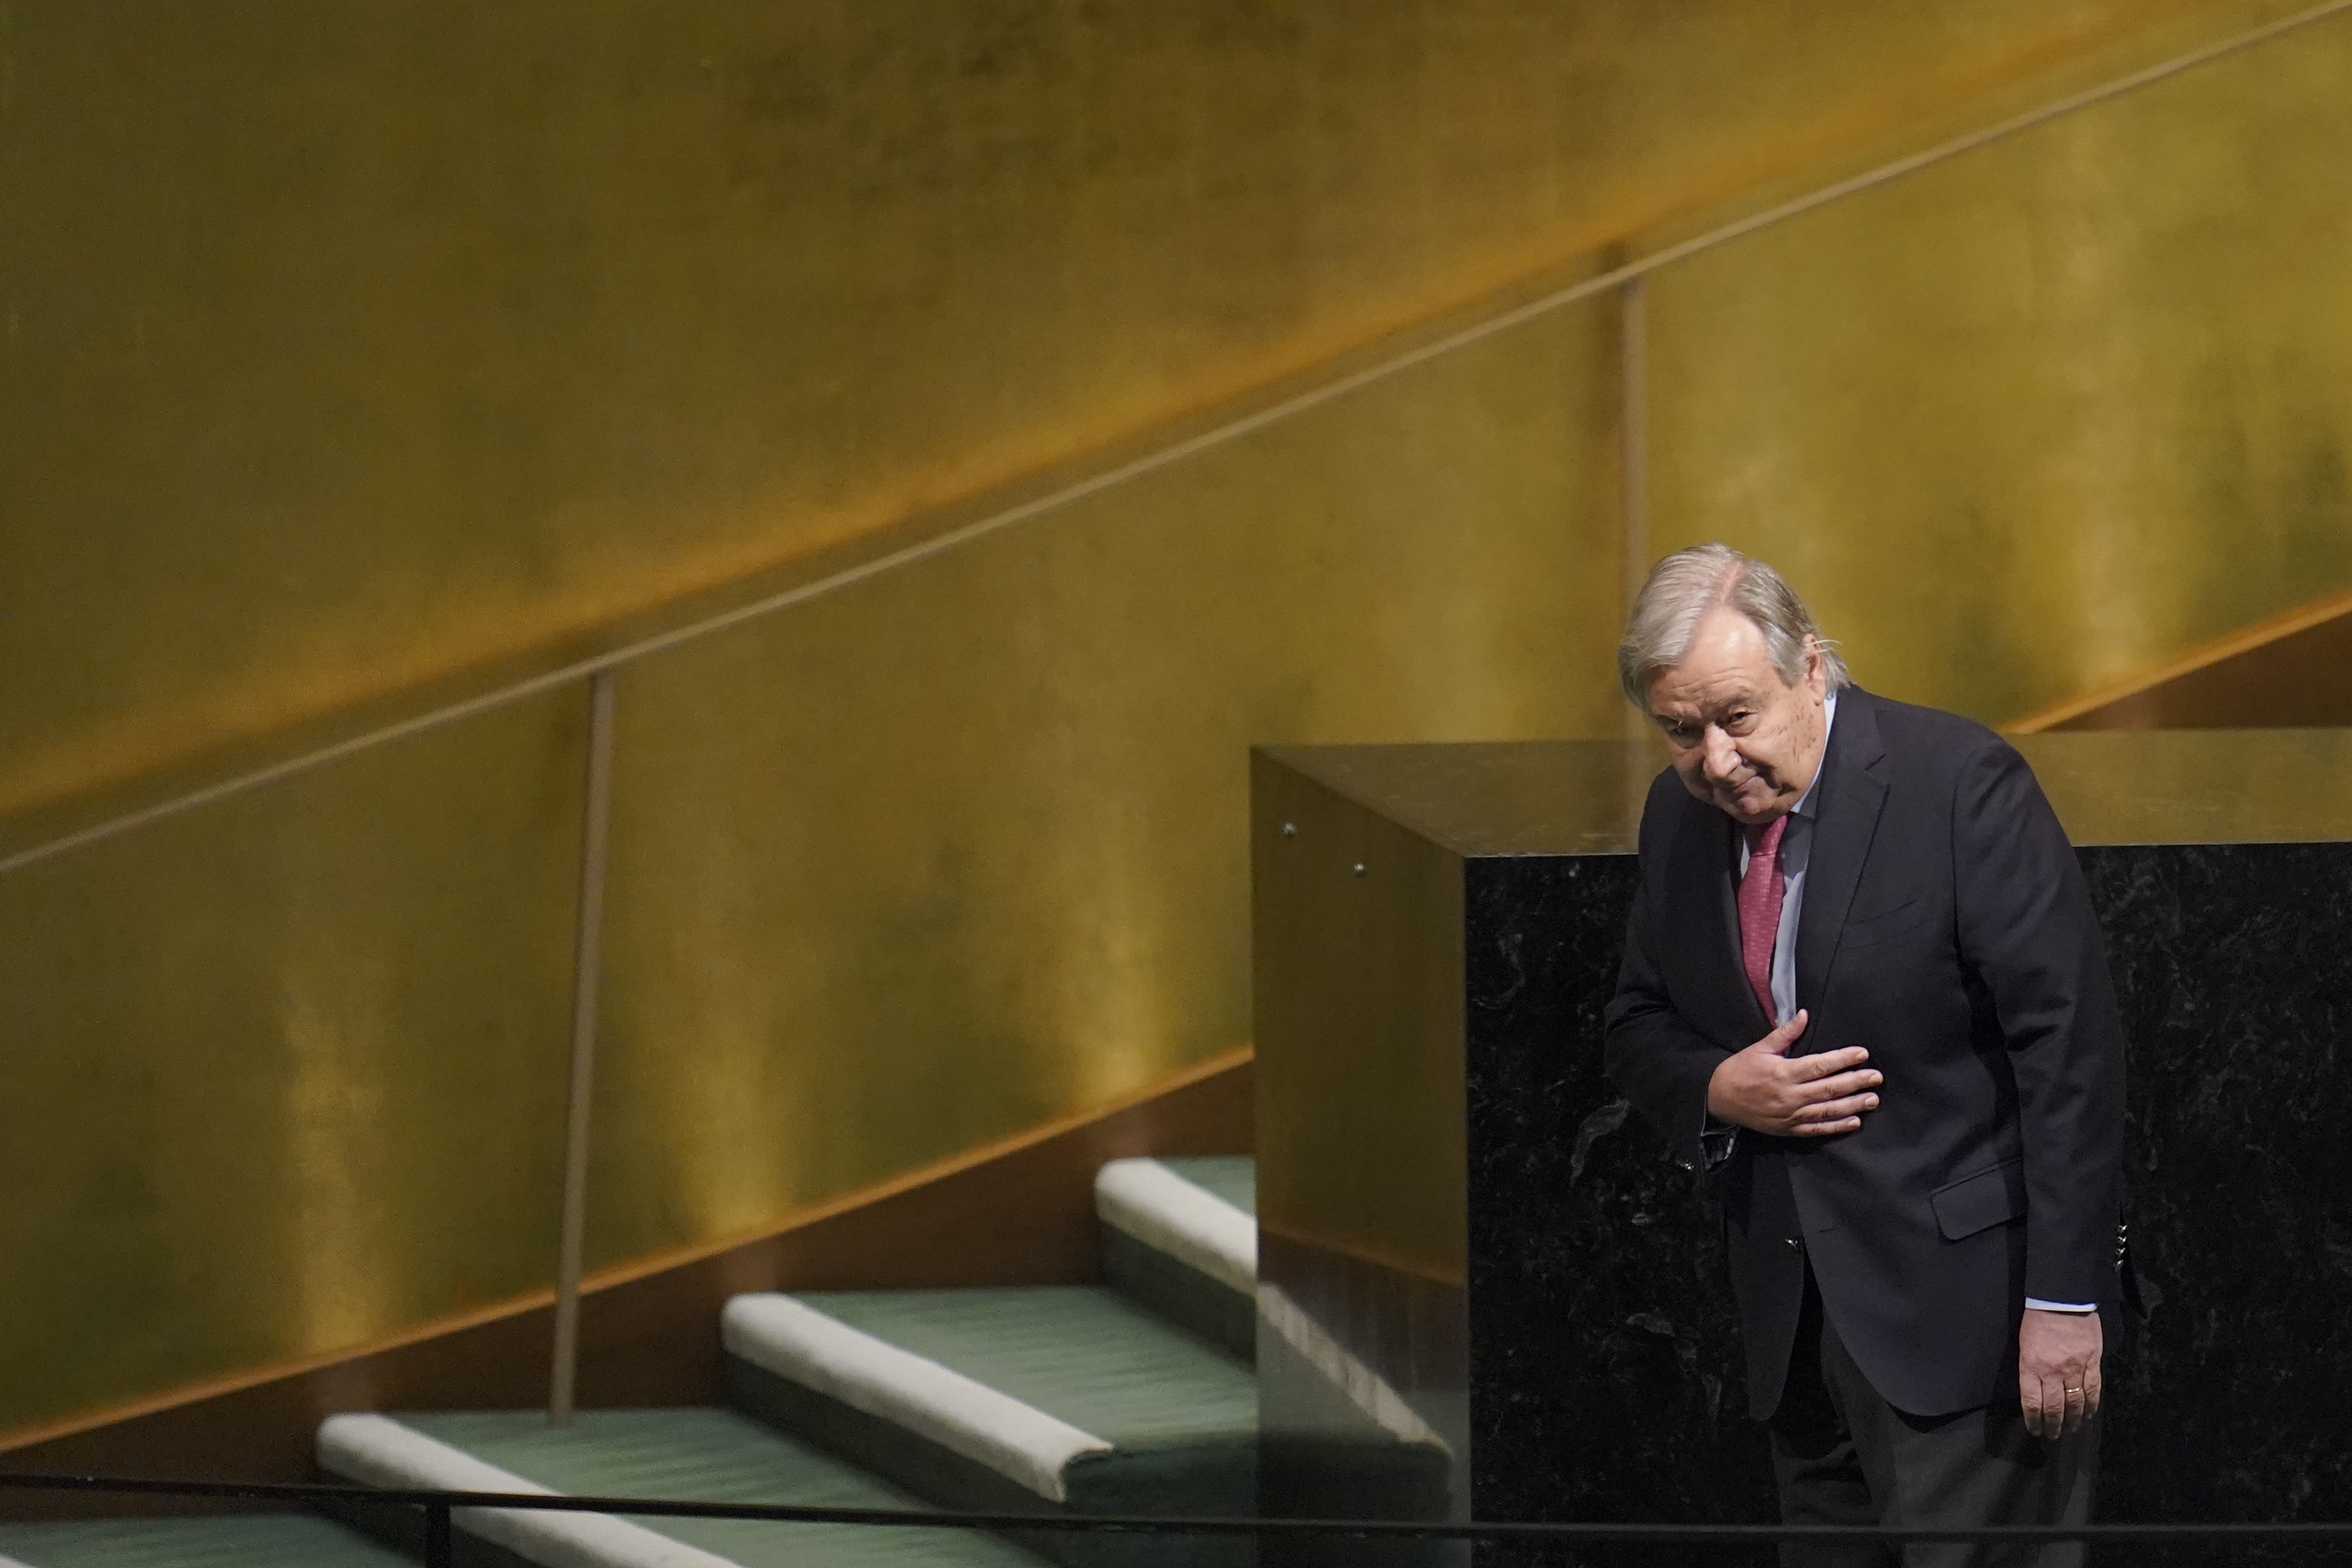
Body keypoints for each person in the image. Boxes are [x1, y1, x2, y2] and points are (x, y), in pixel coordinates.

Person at [1602, 544, 2124, 1568]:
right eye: (1680, 731)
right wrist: (1719, 1087)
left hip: (1971, 1328)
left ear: (1809, 666)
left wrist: (2065, 1302)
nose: (1715, 759)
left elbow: (2069, 1052)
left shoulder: (1958, 785)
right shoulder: (1679, 819)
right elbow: (1636, 1021)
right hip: (1796, 1331)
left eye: (1736, 717)